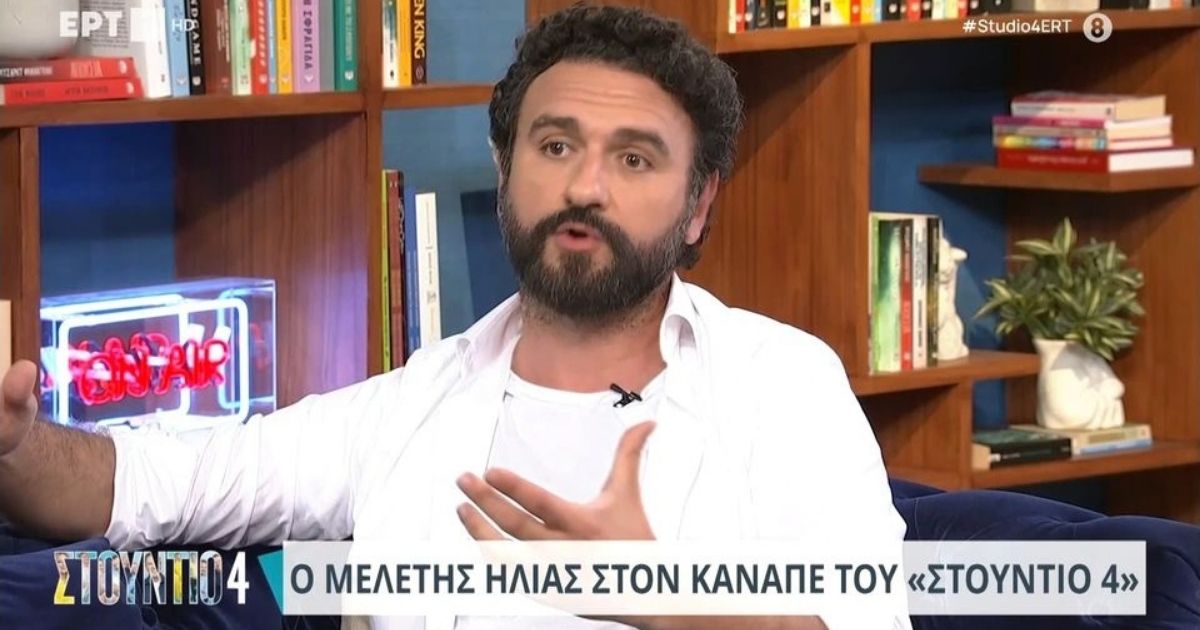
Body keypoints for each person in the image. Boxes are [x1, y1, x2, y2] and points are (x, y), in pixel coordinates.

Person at [0, 5, 909, 630]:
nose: (585, 186)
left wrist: (671, 601)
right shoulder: (410, 407)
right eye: (556, 145)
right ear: (506, 167)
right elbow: (147, 486)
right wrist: (14, 443)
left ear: (699, 203)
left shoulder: (783, 386)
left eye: (635, 159)